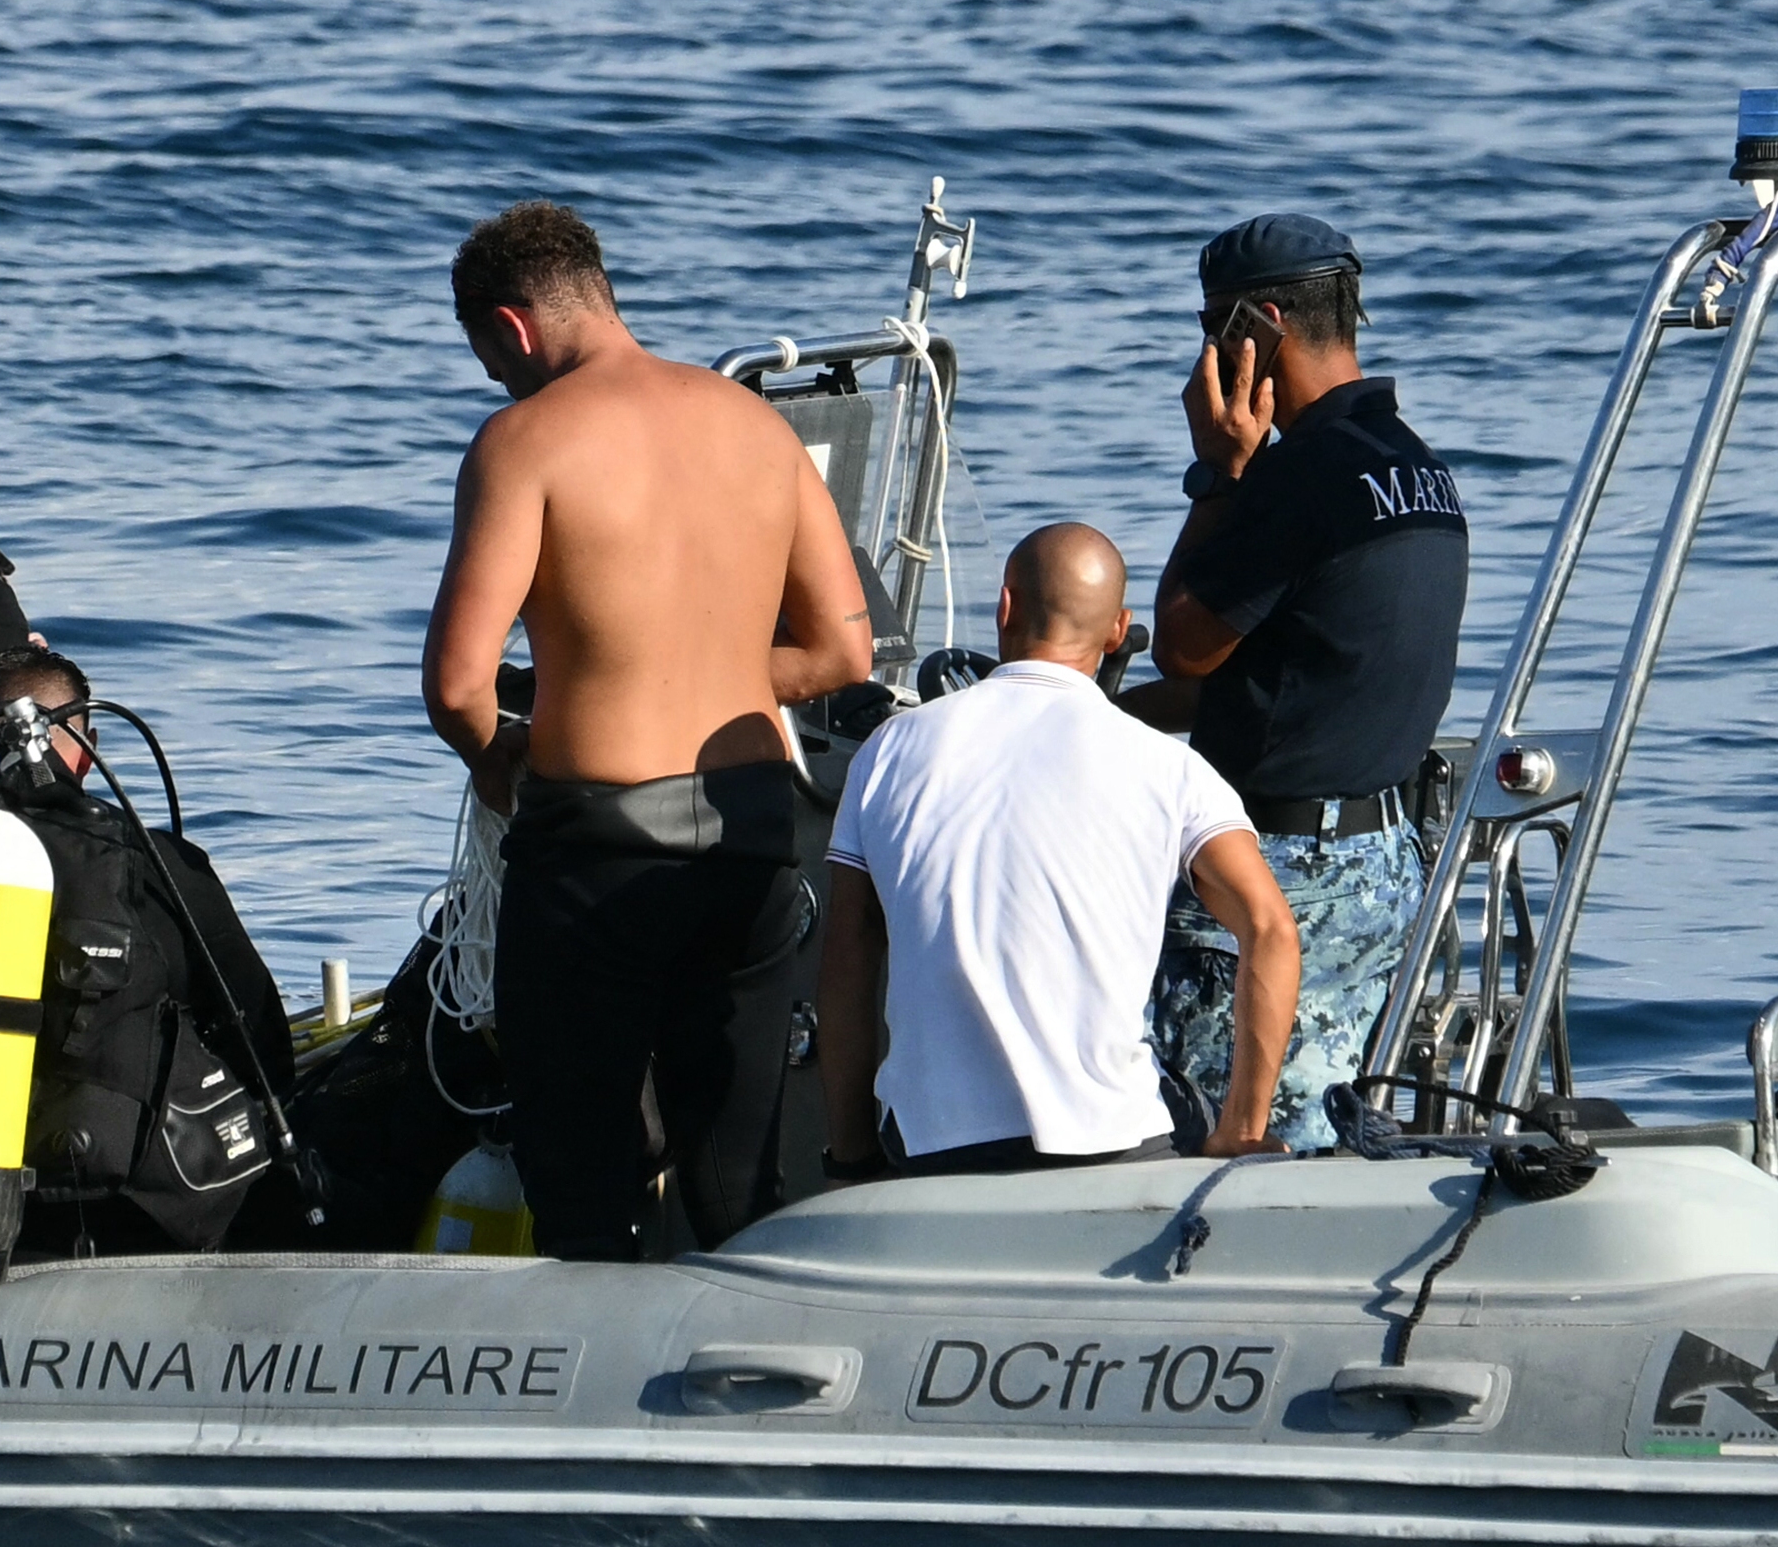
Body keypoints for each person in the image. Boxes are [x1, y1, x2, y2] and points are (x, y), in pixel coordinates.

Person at [417, 198, 885, 1262]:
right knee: (736, 1171)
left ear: (511, 326)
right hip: (754, 840)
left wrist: (501, 763)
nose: (495, 379)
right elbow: (842, 653)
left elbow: (455, 683)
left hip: (598, 853)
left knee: (582, 1180)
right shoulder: (757, 427)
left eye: (489, 356)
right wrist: (701, 659)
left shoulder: (523, 439)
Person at [817, 522, 1302, 1177]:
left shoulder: (888, 750)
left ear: (1005, 607)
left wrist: (850, 1156)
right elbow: (1269, 928)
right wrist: (1239, 1130)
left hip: (934, 1144)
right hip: (1113, 1141)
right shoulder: (1170, 767)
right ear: (1116, 630)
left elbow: (848, 953)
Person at [1149, 210, 1472, 1125]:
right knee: (1326, 1129)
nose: (1207, 352)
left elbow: (1185, 642)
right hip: (1379, 861)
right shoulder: (1416, 468)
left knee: (1224, 1140)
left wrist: (1216, 473)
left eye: (1213, 328)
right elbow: (1303, 665)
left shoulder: (1297, 480)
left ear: (1261, 328)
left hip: (1283, 870)